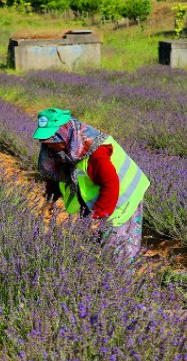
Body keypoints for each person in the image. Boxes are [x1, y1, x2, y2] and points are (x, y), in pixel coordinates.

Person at [33, 108, 150, 261]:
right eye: (45, 139)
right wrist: (50, 200)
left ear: (65, 131)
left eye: (53, 138)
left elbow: (111, 185)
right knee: (94, 241)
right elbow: (54, 176)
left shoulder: (96, 151)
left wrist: (98, 217)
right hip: (95, 195)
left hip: (124, 194)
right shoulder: (56, 149)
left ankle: (124, 275)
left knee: (116, 242)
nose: (50, 143)